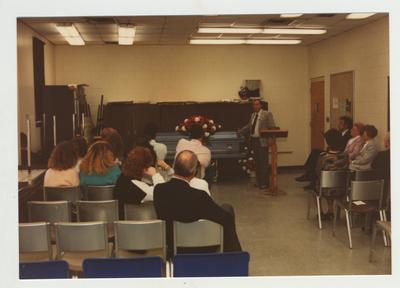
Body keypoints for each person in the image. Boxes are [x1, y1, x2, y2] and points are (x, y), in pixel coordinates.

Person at [154, 150, 241, 257]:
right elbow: (225, 219)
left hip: (171, 244)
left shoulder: (158, 190)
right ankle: (235, 259)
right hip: (199, 245)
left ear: (174, 166)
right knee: (227, 210)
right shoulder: (199, 195)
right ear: (194, 172)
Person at [295, 116, 353, 184]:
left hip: (337, 153)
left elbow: (342, 146)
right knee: (315, 152)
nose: (338, 125)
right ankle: (309, 175)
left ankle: (310, 176)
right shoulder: (340, 133)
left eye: (340, 123)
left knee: (317, 154)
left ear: (346, 125)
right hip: (333, 150)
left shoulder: (348, 135)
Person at [114, 147, 165, 219]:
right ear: (145, 168)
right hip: (140, 226)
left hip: (122, 225)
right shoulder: (136, 186)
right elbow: (163, 193)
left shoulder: (122, 178)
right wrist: (155, 175)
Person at [238, 99, 276, 189]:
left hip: (262, 141)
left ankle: (265, 183)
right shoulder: (253, 115)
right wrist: (241, 131)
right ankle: (259, 182)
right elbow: (249, 126)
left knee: (263, 163)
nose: (255, 106)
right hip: (254, 141)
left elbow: (272, 127)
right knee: (257, 163)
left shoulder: (267, 114)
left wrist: (270, 138)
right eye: (254, 105)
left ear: (260, 105)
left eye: (257, 104)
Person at [314, 129, 349, 220]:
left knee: (318, 186)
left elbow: (318, 171)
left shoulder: (323, 156)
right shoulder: (345, 156)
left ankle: (321, 213)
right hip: (341, 188)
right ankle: (331, 212)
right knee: (331, 185)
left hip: (325, 188)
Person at [371, 132, 390, 217]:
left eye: (385, 141)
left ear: (388, 143)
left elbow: (373, 166)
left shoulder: (381, 156)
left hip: (382, 195)